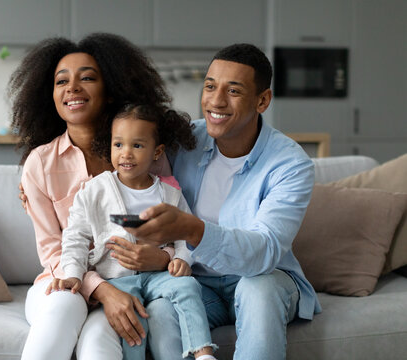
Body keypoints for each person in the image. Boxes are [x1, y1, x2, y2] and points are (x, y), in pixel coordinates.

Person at [122, 43, 321, 360]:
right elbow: (126, 151)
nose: (215, 101)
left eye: (234, 91)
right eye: (210, 86)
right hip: (199, 281)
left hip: (263, 278)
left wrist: (194, 229)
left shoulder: (290, 164)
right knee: (162, 308)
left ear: (262, 100)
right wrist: (39, 177)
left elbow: (266, 250)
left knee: (259, 290)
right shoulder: (186, 139)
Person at [9, 33, 180, 360]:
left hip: (131, 284)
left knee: (99, 344)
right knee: (64, 306)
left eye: (87, 78)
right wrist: (102, 290)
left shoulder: (147, 155)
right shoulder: (40, 164)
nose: (72, 87)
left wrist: (158, 261)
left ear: (111, 90)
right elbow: (52, 252)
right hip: (62, 283)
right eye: (62, 81)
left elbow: (167, 228)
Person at [49, 103, 217, 360]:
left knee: (187, 286)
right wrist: (73, 274)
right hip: (117, 280)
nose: (126, 153)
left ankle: (203, 353)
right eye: (118, 145)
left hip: (159, 274)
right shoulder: (94, 191)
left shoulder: (170, 194)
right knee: (133, 324)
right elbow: (76, 238)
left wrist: (181, 259)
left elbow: (185, 234)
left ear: (157, 152)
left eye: (137, 146)